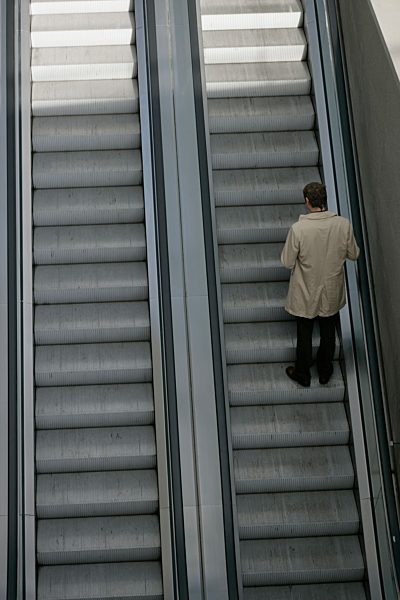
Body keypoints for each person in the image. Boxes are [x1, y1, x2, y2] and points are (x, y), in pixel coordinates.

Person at [281, 181, 360, 387]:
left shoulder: (299, 229)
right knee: (328, 331)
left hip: (306, 288)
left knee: (304, 333)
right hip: (331, 288)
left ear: (307, 201)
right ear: (325, 200)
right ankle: (325, 371)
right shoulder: (343, 224)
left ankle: (303, 373)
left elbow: (287, 261)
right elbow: (354, 254)